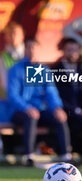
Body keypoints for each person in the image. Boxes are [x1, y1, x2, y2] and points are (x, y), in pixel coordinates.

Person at [7, 37, 71, 166]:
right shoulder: (15, 69)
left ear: (39, 49)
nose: (31, 50)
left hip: (39, 110)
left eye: (34, 47)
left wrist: (57, 108)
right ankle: (29, 156)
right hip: (19, 112)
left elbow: (51, 93)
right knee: (31, 117)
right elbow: (12, 95)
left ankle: (66, 155)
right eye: (28, 47)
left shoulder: (44, 70)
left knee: (60, 117)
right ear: (24, 50)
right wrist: (26, 108)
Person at [52, 37, 82, 164]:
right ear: (63, 51)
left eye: (75, 50)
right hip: (64, 110)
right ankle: (64, 149)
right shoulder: (54, 70)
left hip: (81, 111)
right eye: (69, 50)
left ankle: (80, 149)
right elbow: (57, 96)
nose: (72, 53)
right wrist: (78, 111)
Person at [0, 22, 25, 98]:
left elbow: (36, 84)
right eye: (10, 33)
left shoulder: (31, 55)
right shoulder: (2, 57)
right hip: (7, 102)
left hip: (29, 102)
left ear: (22, 36)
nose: (13, 36)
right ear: (5, 37)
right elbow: (5, 84)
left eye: (15, 33)